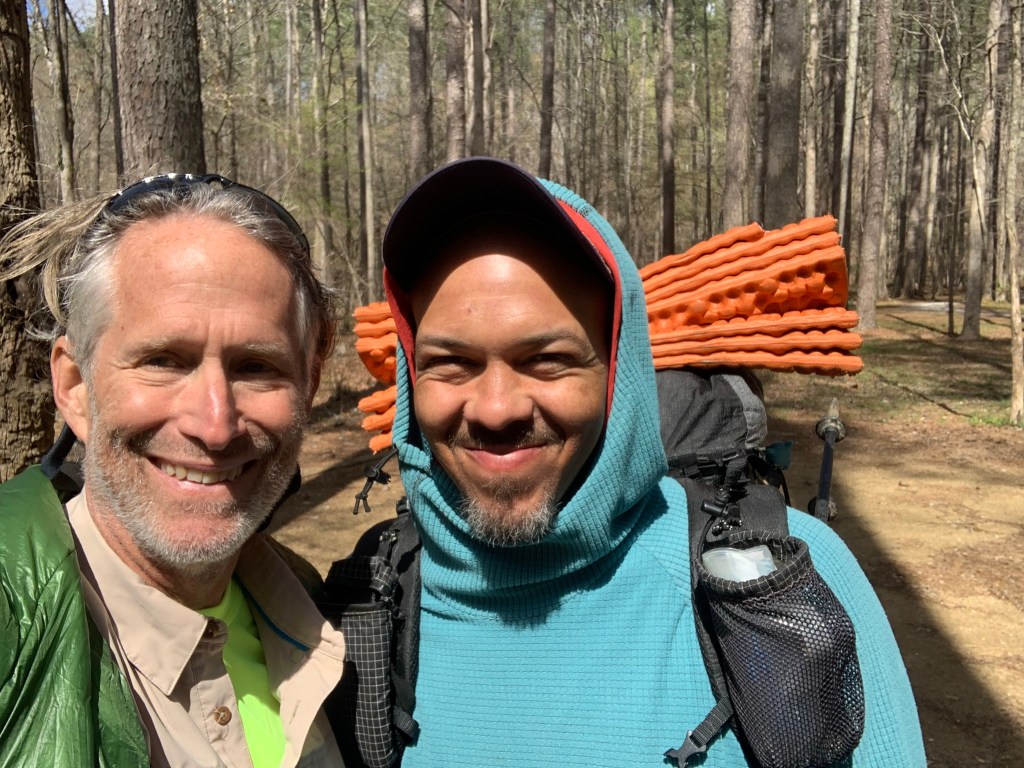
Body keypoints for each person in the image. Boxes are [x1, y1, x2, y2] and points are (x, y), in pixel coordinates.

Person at [369, 157, 926, 766]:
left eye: (547, 360)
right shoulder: (365, 607)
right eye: (451, 363)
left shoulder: (788, 582)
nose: (496, 409)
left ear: (618, 372)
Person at [0, 174, 347, 767]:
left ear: (309, 387)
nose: (215, 425)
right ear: (75, 387)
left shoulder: (322, 613)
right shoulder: (14, 625)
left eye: (256, 366)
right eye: (163, 360)